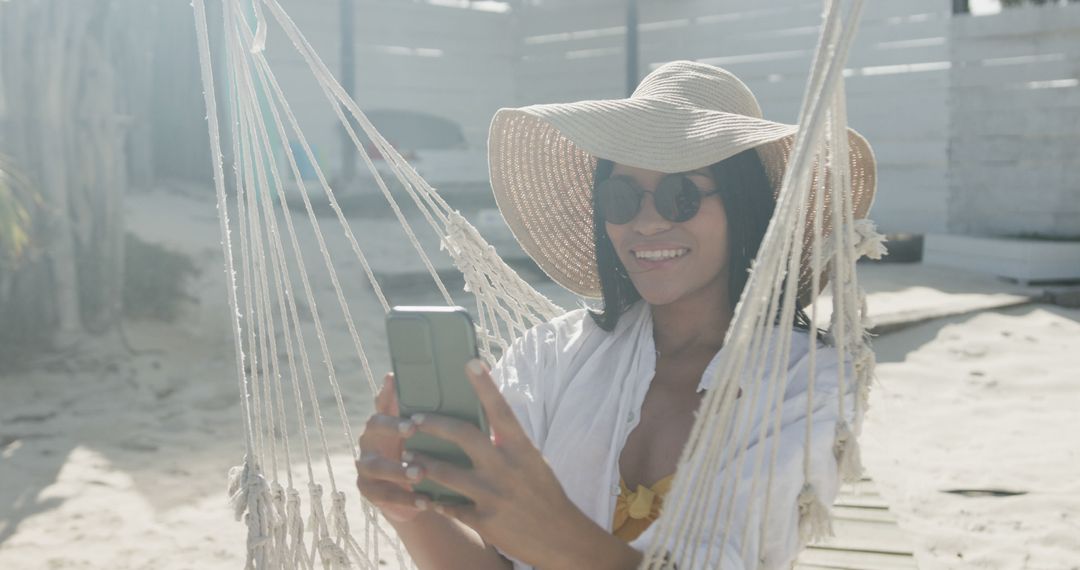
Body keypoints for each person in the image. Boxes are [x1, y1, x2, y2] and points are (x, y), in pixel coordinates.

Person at [355, 60, 876, 569]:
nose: (646, 223)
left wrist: (553, 532)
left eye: (680, 195)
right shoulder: (550, 358)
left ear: (745, 207)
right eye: (621, 197)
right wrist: (410, 514)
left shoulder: (806, 382)